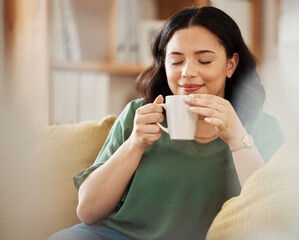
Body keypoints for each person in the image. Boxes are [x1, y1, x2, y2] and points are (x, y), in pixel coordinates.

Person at [48, 6, 284, 240]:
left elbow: (271, 218)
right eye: (176, 61)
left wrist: (237, 140)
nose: (187, 72)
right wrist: (135, 145)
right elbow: (87, 211)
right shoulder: (139, 114)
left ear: (230, 64)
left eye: (203, 61)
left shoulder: (260, 128)